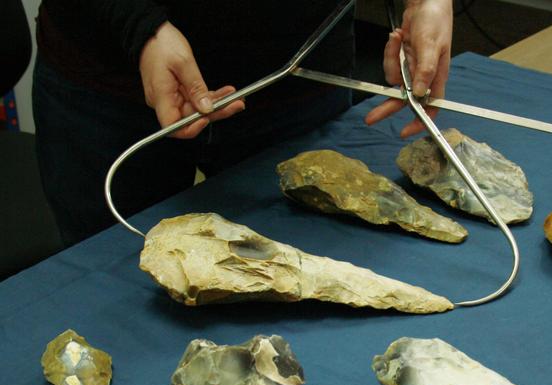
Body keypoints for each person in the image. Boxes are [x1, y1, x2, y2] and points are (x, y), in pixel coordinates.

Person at [33, 0, 453, 247]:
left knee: (310, 265)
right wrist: (138, 27)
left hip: (298, 69)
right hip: (108, 75)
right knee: (112, 284)